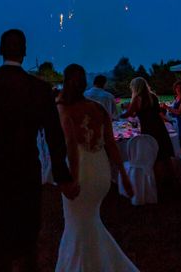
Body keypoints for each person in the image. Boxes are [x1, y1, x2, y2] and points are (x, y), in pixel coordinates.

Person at [0, 29, 78, 271]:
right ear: (24, 52)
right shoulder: (39, 89)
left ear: (0, 50)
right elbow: (55, 137)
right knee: (26, 239)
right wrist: (62, 176)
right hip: (26, 170)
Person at [55, 64, 137, 272]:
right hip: (101, 171)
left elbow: (72, 146)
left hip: (81, 170)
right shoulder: (98, 109)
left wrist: (72, 178)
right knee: (90, 221)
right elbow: (111, 144)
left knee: (76, 224)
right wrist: (124, 177)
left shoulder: (64, 108)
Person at [128, 77, 175, 180]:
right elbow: (158, 113)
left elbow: (129, 113)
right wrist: (168, 120)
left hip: (149, 130)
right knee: (165, 155)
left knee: (153, 156)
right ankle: (173, 181)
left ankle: (156, 183)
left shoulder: (137, 98)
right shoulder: (152, 96)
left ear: (135, 87)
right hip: (160, 128)